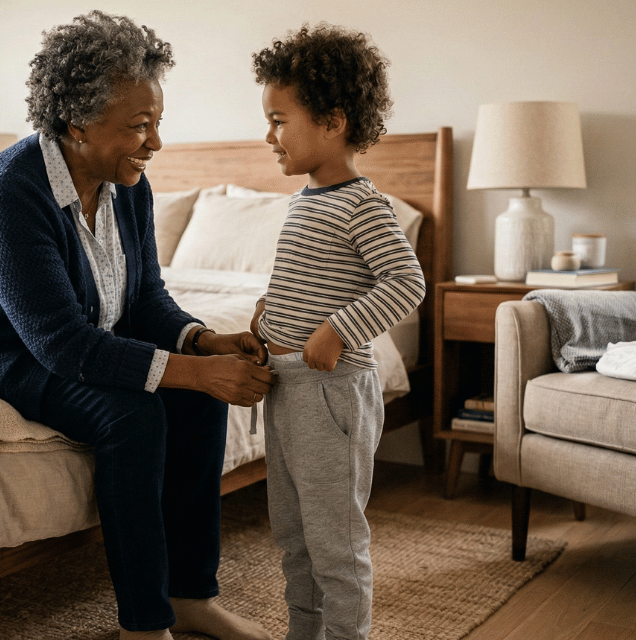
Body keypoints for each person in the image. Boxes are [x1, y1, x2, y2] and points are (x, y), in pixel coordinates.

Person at [0, 11, 274, 640]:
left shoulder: (130, 185)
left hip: (69, 341)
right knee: (134, 414)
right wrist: (195, 371)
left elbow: (145, 302)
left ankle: (190, 596)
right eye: (140, 127)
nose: (155, 143)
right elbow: (60, 343)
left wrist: (202, 342)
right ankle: (144, 625)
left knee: (197, 403)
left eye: (157, 123)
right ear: (76, 123)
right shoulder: (10, 190)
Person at [248, 24, 426, 640]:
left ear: (332, 120)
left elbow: (406, 283)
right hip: (284, 387)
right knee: (293, 534)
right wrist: (270, 315)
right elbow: (310, 275)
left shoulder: (363, 203)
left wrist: (338, 330)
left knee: (335, 542)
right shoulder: (303, 201)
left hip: (330, 395)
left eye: (279, 120)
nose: (269, 136)